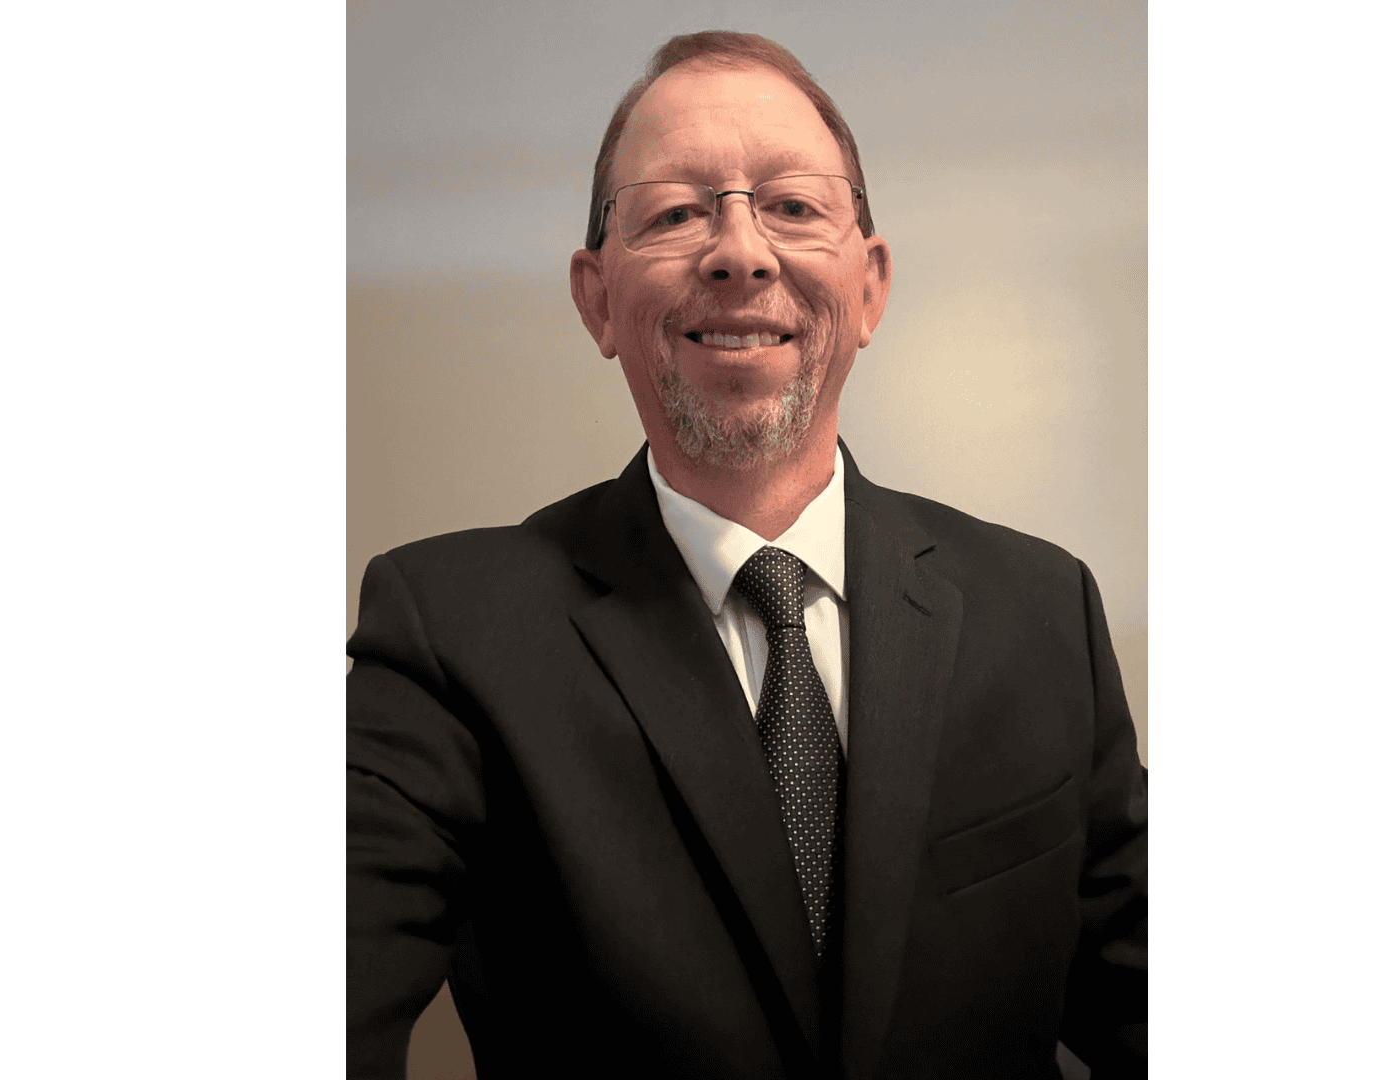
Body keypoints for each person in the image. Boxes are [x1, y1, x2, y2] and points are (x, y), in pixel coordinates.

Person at [347, 30, 1146, 1079]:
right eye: (678, 212)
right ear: (596, 298)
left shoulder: (1043, 611)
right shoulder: (446, 630)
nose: (740, 250)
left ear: (869, 286)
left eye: (794, 207)